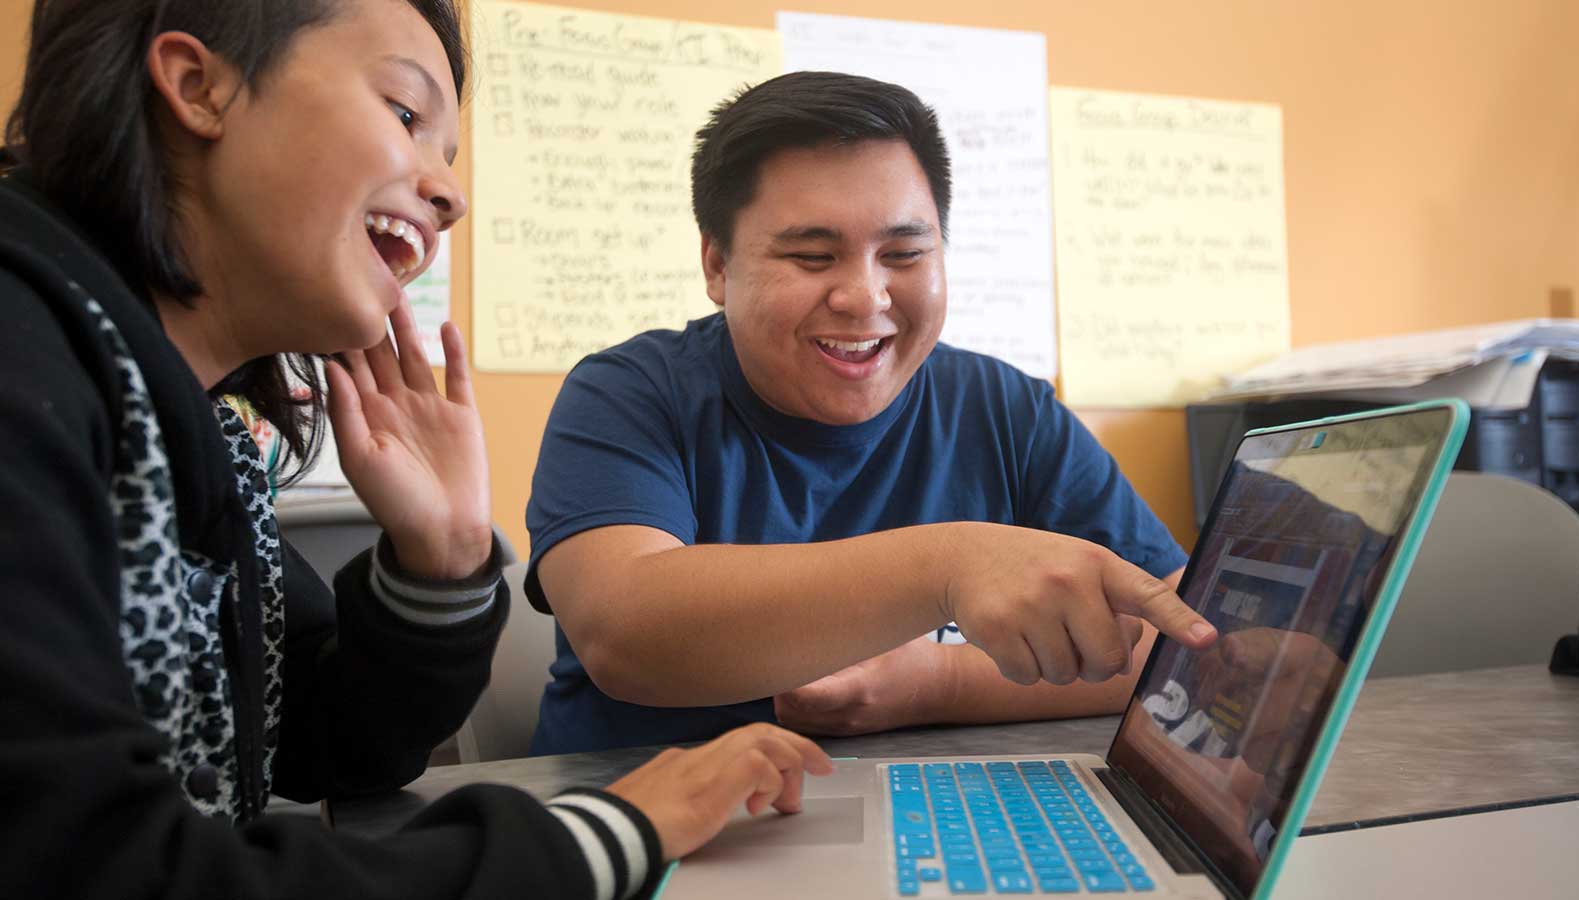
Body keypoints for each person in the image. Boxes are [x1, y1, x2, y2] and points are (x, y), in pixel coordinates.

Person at [0, 2, 831, 898]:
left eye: (449, 154)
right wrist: (609, 832)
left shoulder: (187, 423)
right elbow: (93, 867)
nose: (449, 194)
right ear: (199, 87)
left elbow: (325, 744)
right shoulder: (26, 349)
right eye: (405, 114)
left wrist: (440, 560)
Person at [525, 71, 1218, 756]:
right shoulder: (630, 393)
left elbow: (1181, 632)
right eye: (812, 256)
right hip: (644, 832)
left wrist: (937, 683)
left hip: (951, 824)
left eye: (904, 254)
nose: (864, 297)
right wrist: (950, 567)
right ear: (717, 265)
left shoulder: (1008, 410)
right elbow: (626, 630)